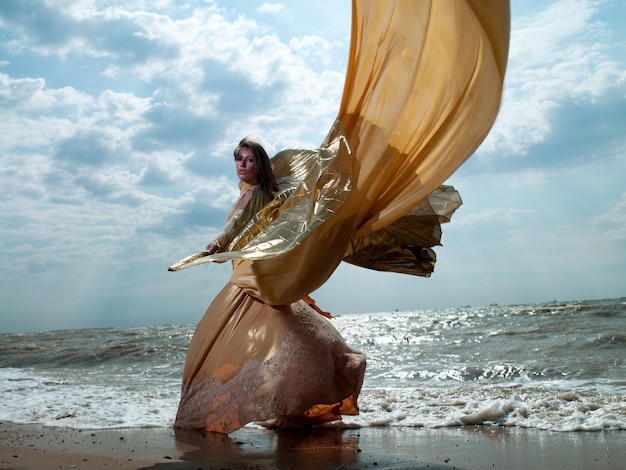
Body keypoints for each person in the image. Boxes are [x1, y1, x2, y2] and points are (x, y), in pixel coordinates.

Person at [174, 138, 366, 433]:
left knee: (232, 330)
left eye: (249, 160)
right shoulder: (251, 191)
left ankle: (220, 409)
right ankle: (305, 392)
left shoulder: (260, 192)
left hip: (255, 272)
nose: (242, 165)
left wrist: (218, 243)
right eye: (238, 158)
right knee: (284, 328)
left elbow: (236, 224)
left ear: (260, 164)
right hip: (251, 268)